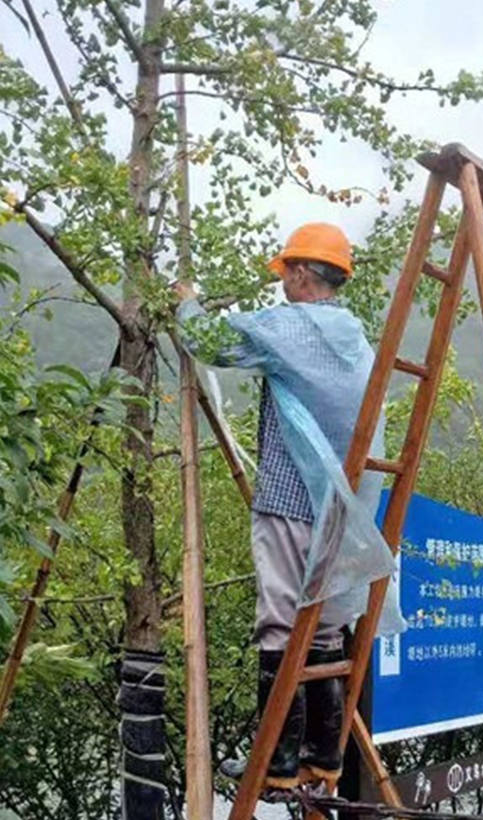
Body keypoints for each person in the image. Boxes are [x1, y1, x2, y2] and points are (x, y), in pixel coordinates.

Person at [174, 222, 378, 793]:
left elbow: (209, 343)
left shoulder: (291, 326)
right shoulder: (354, 337)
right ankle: (323, 760)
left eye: (286, 270)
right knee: (326, 632)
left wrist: (188, 305)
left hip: (293, 497)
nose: (281, 280)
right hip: (347, 510)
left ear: (302, 273)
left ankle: (277, 764)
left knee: (280, 626)